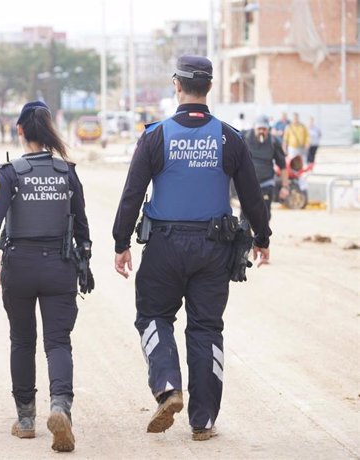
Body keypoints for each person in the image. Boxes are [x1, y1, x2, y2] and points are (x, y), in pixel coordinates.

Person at [112, 56, 271, 441]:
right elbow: (252, 197)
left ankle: (168, 386)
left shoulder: (156, 136)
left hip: (165, 246)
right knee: (205, 329)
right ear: (210, 88)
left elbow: (133, 193)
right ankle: (203, 421)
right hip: (215, 249)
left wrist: (121, 243)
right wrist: (263, 239)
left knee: (153, 315)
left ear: (176, 85)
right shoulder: (230, 138)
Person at [0, 101, 92, 453]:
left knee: (22, 341)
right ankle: (60, 407)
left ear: (20, 130)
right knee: (58, 342)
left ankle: (26, 419)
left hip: (19, 266)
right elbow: (81, 225)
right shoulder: (67, 172)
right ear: (49, 130)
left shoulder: (10, 173)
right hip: (60, 267)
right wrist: (86, 264)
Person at [241, 115, 290, 221]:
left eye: (264, 129)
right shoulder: (244, 137)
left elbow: (283, 166)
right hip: (247, 184)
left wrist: (285, 187)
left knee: (264, 214)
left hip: (266, 183)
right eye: (259, 129)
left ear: (268, 129)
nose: (262, 131)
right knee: (245, 216)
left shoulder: (273, 141)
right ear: (254, 128)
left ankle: (262, 237)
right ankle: (245, 237)